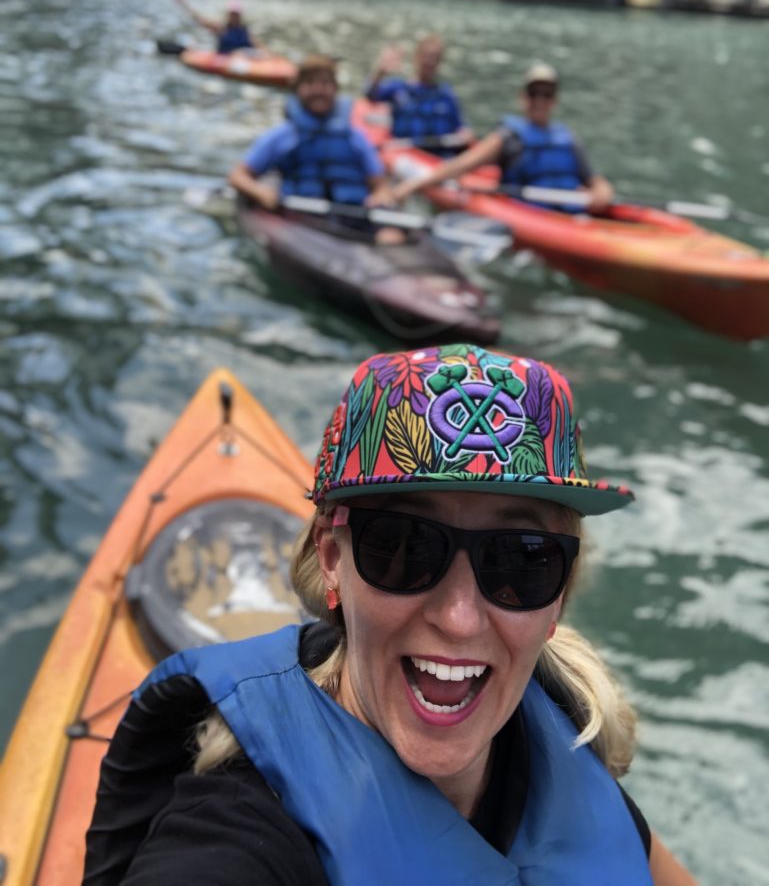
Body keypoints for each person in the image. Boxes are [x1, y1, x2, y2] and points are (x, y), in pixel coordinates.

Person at [83, 343, 699, 886]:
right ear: (332, 558)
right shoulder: (240, 832)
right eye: (404, 547)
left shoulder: (565, 737)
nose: (460, 618)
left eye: (521, 559)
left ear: (558, 595)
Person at [384, 62, 614, 214]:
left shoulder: (568, 138)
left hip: (572, 213)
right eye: (534, 93)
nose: (539, 100)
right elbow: (459, 166)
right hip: (529, 215)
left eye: (547, 94)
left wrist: (602, 191)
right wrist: (411, 186)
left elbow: (594, 180)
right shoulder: (508, 137)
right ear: (523, 98)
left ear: (554, 100)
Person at [228, 53, 388, 218]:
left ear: (335, 88)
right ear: (298, 89)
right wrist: (260, 192)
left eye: (325, 83)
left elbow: (379, 185)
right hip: (299, 217)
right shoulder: (283, 135)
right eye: (310, 83)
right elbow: (238, 176)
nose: (318, 90)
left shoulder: (354, 136)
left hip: (353, 217)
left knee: (389, 232)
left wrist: (379, 196)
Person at [365, 34, 471, 153]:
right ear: (416, 57)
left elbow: (461, 127)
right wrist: (381, 71)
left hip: (439, 156)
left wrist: (465, 134)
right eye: (426, 56)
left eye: (435, 58)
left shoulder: (446, 95)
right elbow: (370, 95)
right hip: (405, 153)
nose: (429, 62)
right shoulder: (399, 88)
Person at [174, 0, 258, 54]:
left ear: (240, 15)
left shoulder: (244, 30)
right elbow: (200, 20)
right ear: (228, 14)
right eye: (232, 14)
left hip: (245, 60)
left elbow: (258, 45)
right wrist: (184, 4)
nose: (234, 17)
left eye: (236, 14)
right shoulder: (222, 28)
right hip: (225, 60)